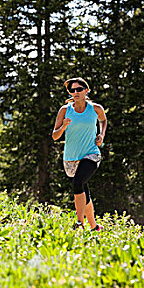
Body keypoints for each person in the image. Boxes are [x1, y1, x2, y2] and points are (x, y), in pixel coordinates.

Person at [51, 77, 107, 231]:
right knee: (83, 189)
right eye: (72, 90)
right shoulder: (65, 110)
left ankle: (79, 223)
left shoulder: (95, 108)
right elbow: (55, 136)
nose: (75, 92)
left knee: (78, 183)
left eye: (79, 89)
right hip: (71, 158)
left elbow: (103, 120)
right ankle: (95, 226)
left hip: (91, 153)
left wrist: (101, 135)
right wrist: (63, 126)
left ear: (86, 90)